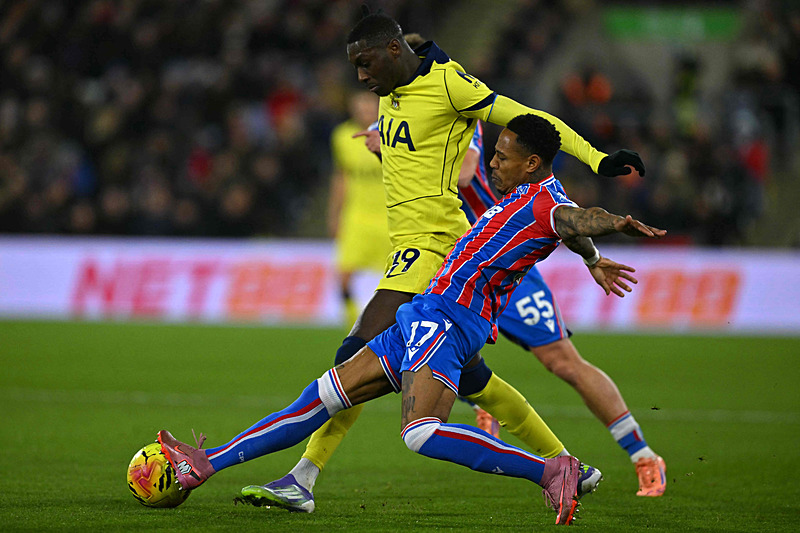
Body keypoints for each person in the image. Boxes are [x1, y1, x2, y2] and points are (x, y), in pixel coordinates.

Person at [157, 114, 665, 525]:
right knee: (319, 399)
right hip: (422, 315)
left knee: (420, 432)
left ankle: (551, 469)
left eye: (503, 158)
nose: (493, 163)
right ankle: (206, 465)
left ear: (532, 163)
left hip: (450, 320)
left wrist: (613, 223)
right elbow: (572, 229)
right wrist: (592, 258)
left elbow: (576, 218)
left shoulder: (546, 202)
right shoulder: (534, 196)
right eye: (494, 153)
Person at [244, 13, 648, 512]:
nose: (362, 78)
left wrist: (598, 159)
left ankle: (302, 478)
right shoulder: (391, 98)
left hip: (436, 250)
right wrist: (383, 146)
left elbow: (529, 121)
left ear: (394, 51)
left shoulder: (452, 87)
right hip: (425, 248)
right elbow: (413, 156)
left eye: (366, 64)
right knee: (478, 383)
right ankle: (566, 464)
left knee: (351, 361)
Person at [458, 120, 666, 497]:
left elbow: (466, 174)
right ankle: (478, 394)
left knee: (563, 361)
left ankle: (643, 455)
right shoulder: (398, 117)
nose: (495, 162)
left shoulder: (453, 113)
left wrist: (594, 254)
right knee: (395, 337)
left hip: (507, 268)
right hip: (446, 266)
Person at [328, 92, 392, 326]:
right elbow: (341, 177)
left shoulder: (394, 132)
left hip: (390, 216)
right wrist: (334, 215)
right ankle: (352, 319)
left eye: (368, 103)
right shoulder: (342, 136)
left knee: (396, 277)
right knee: (344, 275)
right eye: (359, 103)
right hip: (357, 216)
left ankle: (395, 322)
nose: (363, 108)